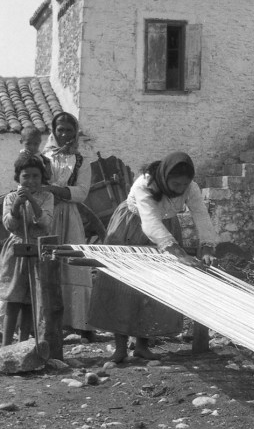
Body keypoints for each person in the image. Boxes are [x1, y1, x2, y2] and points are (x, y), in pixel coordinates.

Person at [88, 151, 219, 364]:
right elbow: (150, 223)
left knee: (153, 288)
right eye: (175, 185)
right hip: (130, 227)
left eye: (183, 185)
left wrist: (207, 247)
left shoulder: (191, 187)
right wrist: (179, 254)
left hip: (166, 228)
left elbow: (201, 216)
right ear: (165, 177)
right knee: (121, 286)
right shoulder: (144, 185)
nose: (180, 190)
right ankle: (120, 348)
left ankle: (142, 346)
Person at [43, 112, 94, 337]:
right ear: (53, 131)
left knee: (73, 263)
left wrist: (57, 190)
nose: (64, 134)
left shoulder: (82, 160)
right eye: (60, 130)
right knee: (47, 262)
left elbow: (82, 192)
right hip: (46, 213)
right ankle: (48, 322)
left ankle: (79, 323)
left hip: (69, 214)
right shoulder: (43, 157)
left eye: (69, 130)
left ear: (75, 133)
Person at [0, 154, 54, 346]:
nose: (30, 180)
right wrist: (17, 204)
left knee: (30, 300)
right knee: (13, 300)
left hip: (36, 251)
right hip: (16, 251)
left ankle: (24, 344)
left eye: (35, 176)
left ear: (42, 178)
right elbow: (9, 224)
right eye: (26, 176)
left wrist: (31, 200)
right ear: (18, 178)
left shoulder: (48, 197)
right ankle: (6, 346)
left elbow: (46, 224)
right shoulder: (11, 197)